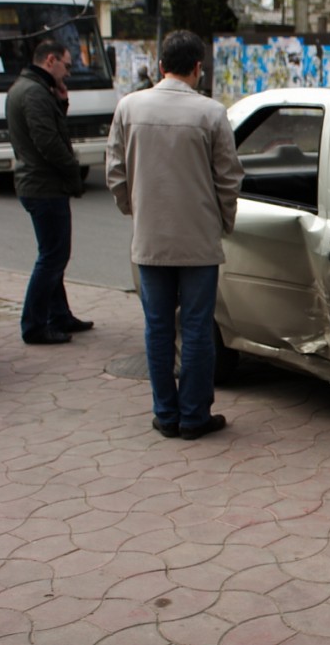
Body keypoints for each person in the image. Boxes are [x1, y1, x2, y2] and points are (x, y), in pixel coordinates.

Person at [106, 30, 243, 441]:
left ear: (160, 65)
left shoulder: (128, 107)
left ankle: (165, 413)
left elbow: (116, 173)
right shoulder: (211, 113)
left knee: (158, 326)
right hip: (198, 239)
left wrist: (136, 210)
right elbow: (229, 179)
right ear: (197, 68)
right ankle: (194, 415)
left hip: (149, 240)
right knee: (198, 328)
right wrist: (224, 222)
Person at [5, 39, 92, 345]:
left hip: (39, 184)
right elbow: (48, 142)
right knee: (53, 256)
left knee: (53, 254)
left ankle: (59, 314)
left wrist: (62, 103)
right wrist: (73, 169)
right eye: (67, 66)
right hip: (44, 186)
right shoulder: (33, 92)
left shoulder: (31, 89)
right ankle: (34, 324)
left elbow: (48, 129)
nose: (67, 73)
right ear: (51, 60)